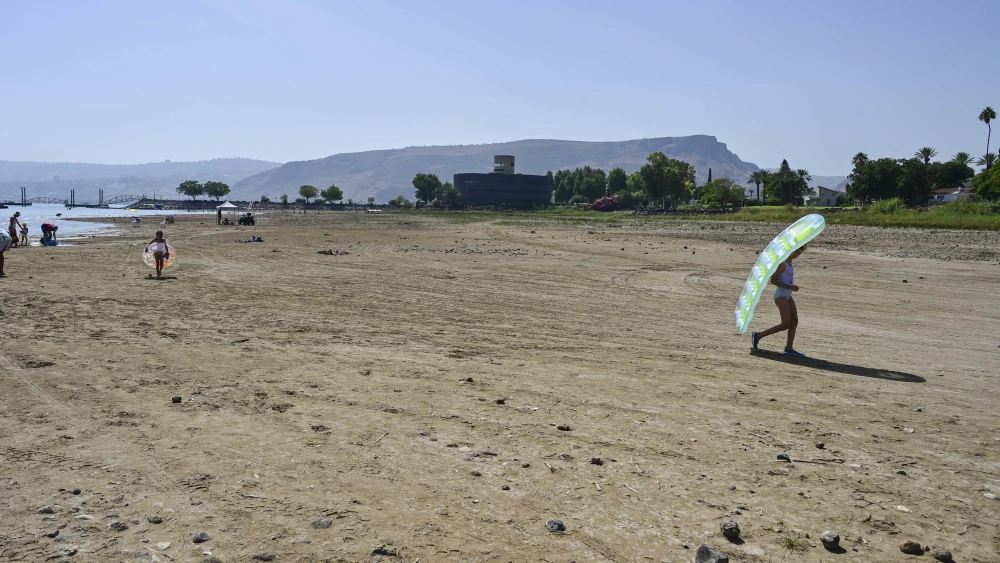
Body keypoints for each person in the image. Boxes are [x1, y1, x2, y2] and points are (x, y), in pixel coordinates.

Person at [752, 245, 807, 356]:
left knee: (794, 321)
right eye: (795, 251)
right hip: (781, 296)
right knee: (785, 324)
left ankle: (789, 348)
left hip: (787, 296)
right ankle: (758, 336)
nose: (796, 255)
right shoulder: (782, 264)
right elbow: (773, 280)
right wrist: (789, 287)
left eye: (799, 253)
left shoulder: (790, 264)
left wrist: (791, 287)